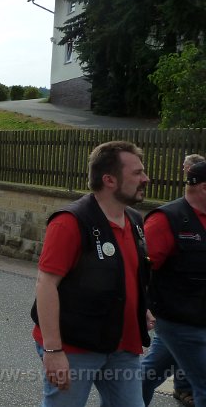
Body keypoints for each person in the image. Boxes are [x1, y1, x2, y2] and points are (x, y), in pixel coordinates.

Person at [31, 140, 152, 406]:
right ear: (109, 179)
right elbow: (46, 284)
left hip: (123, 346)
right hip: (75, 347)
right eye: (137, 173)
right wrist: (53, 350)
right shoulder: (70, 222)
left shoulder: (134, 220)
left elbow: (128, 275)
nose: (146, 178)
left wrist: (140, 308)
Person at [141, 160, 206, 407]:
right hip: (179, 320)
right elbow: (140, 270)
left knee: (148, 376)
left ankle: (124, 400)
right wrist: (143, 307)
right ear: (203, 188)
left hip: (198, 318)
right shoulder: (166, 220)